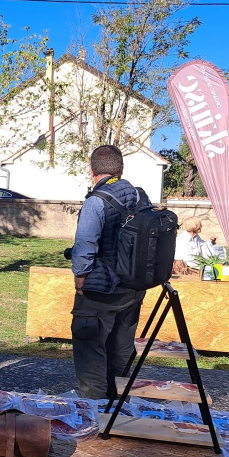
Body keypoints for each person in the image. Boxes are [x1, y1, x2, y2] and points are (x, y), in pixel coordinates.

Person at [70, 145, 150, 403]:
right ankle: (120, 409)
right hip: (132, 288)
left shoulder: (97, 201)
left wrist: (80, 281)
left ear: (92, 169)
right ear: (121, 168)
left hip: (99, 292)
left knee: (91, 350)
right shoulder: (140, 197)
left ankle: (93, 411)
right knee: (122, 350)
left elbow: (85, 245)